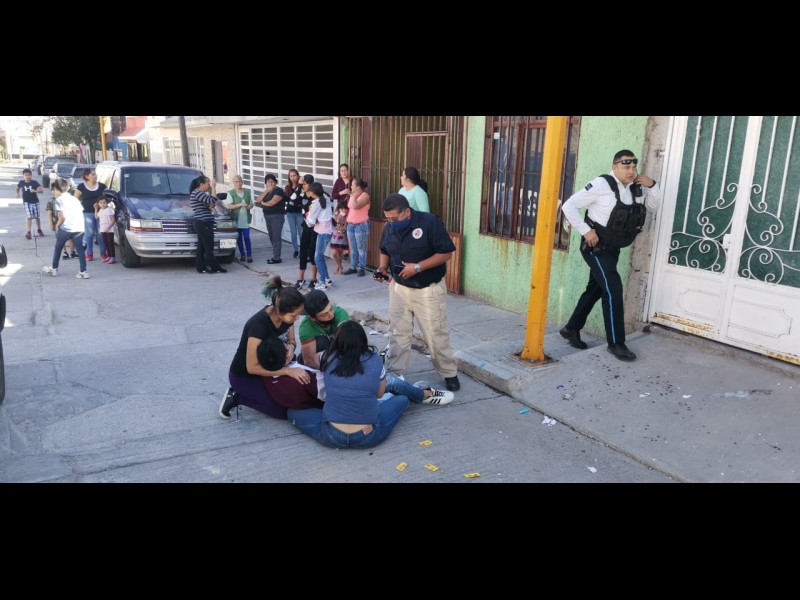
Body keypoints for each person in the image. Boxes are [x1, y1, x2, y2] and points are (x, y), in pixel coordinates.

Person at [559, 149, 661, 362]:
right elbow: (569, 205)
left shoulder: (636, 188)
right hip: (595, 248)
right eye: (626, 166)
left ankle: (571, 329)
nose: (631, 171)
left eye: (633, 167)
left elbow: (652, 208)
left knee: (595, 289)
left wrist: (652, 186)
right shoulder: (601, 185)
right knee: (613, 290)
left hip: (613, 250)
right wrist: (586, 230)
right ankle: (616, 343)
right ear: (615, 167)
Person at [376, 193, 460, 391]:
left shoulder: (429, 222)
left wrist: (418, 267)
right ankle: (395, 373)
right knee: (397, 332)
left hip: (428, 290)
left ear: (407, 212)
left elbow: (446, 253)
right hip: (399, 288)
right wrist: (382, 268)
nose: (391, 222)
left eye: (394, 218)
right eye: (388, 219)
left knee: (435, 334)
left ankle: (448, 373)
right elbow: (384, 250)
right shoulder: (389, 227)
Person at [286, 320, 409, 449]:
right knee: (403, 400)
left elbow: (310, 359)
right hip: (367, 436)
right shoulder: (375, 359)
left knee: (292, 412)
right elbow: (379, 394)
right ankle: (420, 393)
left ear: (336, 340)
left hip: (332, 435)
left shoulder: (326, 356)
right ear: (363, 339)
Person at [220, 275, 311, 420]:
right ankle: (237, 396)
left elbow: (292, 340)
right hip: (246, 376)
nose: (297, 318)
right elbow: (252, 368)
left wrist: (290, 347)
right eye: (294, 315)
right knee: (283, 411)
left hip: (273, 366)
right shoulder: (259, 326)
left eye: (299, 314)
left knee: (295, 400)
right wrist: (287, 371)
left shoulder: (287, 316)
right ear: (279, 310)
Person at [42, 178, 89, 279]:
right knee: (80, 250)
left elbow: (63, 216)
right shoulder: (74, 199)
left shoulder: (59, 200)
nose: (54, 192)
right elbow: (81, 211)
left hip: (67, 228)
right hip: (79, 227)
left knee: (58, 247)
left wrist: (57, 225)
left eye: (54, 190)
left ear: (56, 189)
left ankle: (54, 269)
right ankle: (83, 271)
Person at [298, 289, 349, 369]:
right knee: (322, 341)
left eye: (330, 309)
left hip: (336, 352)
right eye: (325, 315)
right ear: (312, 318)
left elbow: (349, 345)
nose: (331, 315)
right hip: (320, 356)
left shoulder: (340, 314)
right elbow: (309, 361)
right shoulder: (306, 328)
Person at [189, 175, 226, 274]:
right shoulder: (197, 193)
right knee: (209, 247)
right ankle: (214, 267)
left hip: (203, 223)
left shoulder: (200, 194)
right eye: (208, 182)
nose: (209, 184)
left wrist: (211, 202)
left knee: (202, 247)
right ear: (201, 184)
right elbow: (212, 200)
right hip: (203, 223)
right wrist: (213, 187)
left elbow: (210, 205)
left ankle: (201, 267)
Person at [73, 168, 108, 262]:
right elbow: (75, 199)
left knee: (101, 233)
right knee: (89, 234)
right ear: (87, 176)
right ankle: (89, 253)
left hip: (101, 213)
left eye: (95, 174)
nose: (95, 176)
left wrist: (102, 205)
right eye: (92, 174)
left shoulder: (102, 186)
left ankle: (103, 253)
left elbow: (107, 198)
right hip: (87, 213)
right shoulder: (81, 186)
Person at [306, 182, 333, 290]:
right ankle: (327, 279)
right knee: (320, 257)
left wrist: (307, 215)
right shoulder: (325, 198)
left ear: (313, 193)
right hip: (327, 232)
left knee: (317, 258)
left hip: (322, 233)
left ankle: (322, 283)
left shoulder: (316, 204)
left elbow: (310, 222)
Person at [256, 173, 287, 264]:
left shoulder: (279, 191)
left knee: (276, 237)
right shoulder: (266, 192)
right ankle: (275, 255)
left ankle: (277, 258)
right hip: (267, 216)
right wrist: (266, 191)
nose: (270, 183)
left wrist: (263, 203)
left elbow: (272, 202)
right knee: (271, 236)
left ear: (275, 182)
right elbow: (258, 200)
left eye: (272, 181)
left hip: (276, 216)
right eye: (268, 182)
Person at [342, 178, 370, 277]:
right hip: (351, 225)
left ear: (357, 187)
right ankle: (353, 267)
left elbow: (355, 206)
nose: (351, 187)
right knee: (353, 248)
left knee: (361, 248)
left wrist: (354, 196)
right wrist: (353, 195)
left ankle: (361, 268)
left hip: (360, 225)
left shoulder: (365, 196)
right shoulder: (353, 195)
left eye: (352, 185)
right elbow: (350, 206)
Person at [295, 174, 318, 289]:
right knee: (303, 251)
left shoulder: (316, 196)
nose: (303, 186)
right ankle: (300, 279)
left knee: (312, 252)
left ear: (310, 184)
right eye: (302, 184)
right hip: (305, 227)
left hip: (316, 228)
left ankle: (314, 279)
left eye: (304, 184)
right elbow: (292, 199)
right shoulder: (301, 195)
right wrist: (299, 185)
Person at [225, 174, 253, 263]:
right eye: (236, 182)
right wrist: (240, 204)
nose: (238, 183)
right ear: (233, 183)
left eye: (240, 181)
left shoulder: (248, 192)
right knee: (239, 239)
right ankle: (242, 255)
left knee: (247, 238)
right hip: (236, 220)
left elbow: (251, 204)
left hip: (245, 220)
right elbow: (229, 206)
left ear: (242, 182)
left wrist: (249, 206)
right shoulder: (230, 193)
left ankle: (249, 256)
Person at [331, 163, 352, 259]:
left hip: (350, 208)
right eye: (342, 171)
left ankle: (348, 250)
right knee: (340, 228)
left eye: (345, 170)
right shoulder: (338, 181)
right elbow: (333, 195)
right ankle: (341, 249)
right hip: (341, 209)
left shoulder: (352, 181)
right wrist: (341, 192)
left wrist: (351, 193)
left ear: (349, 171)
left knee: (349, 228)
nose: (344, 172)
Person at [16, 168, 45, 239]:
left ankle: (39, 229)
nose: (27, 176)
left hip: (35, 201)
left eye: (29, 175)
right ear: (23, 176)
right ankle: (28, 232)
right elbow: (17, 187)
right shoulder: (21, 182)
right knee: (29, 217)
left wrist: (35, 191)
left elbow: (41, 190)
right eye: (26, 175)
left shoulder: (34, 182)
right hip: (26, 202)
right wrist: (17, 194)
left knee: (37, 216)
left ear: (31, 175)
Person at [284, 169, 304, 259]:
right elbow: (287, 200)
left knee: (301, 232)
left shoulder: (301, 186)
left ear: (297, 176)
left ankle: (303, 249)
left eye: (294, 175)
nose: (293, 178)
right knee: (293, 232)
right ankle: (296, 249)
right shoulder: (288, 187)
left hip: (299, 212)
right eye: (291, 176)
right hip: (290, 212)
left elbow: (300, 199)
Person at [330, 197, 349, 274]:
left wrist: (342, 227)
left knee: (340, 254)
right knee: (334, 254)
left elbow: (345, 228)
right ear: (339, 209)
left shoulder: (347, 217)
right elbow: (334, 225)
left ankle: (338, 268)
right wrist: (338, 220)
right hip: (335, 237)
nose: (344, 210)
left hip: (342, 237)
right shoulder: (334, 216)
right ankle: (340, 266)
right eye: (342, 209)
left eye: (345, 209)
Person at [95, 198, 116, 264]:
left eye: (104, 203)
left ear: (107, 203)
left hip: (109, 230)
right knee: (106, 244)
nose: (102, 204)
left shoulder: (109, 210)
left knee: (110, 244)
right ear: (98, 204)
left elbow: (113, 220)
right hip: (103, 230)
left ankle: (113, 257)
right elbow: (96, 217)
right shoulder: (100, 210)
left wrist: (108, 228)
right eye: (101, 203)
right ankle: (109, 256)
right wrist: (96, 209)